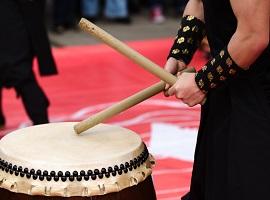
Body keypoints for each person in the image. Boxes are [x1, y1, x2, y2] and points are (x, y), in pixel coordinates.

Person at [164, 0, 269, 199]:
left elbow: (253, 36)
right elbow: (200, 2)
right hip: (227, 85)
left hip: (259, 100)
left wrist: (201, 82)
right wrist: (180, 53)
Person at [0, 0, 57, 127]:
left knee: (21, 74)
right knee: (21, 73)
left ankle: (41, 123)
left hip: (13, 26)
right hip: (13, 24)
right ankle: (41, 122)